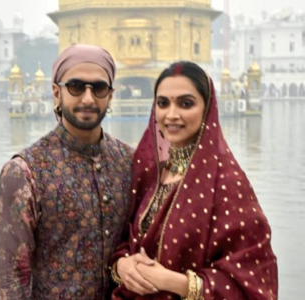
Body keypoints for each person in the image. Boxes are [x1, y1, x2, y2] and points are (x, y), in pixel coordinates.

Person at [110, 61, 278, 300]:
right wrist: (122, 266)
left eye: (186, 103)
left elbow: (251, 280)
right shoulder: (149, 174)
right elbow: (125, 240)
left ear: (207, 108)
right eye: (163, 103)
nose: (171, 114)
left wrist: (174, 282)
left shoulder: (227, 184)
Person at [0, 44, 134, 300]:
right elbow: (12, 276)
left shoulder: (129, 162)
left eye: (99, 88)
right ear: (57, 93)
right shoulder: (25, 173)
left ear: (110, 96)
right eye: (76, 87)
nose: (88, 99)